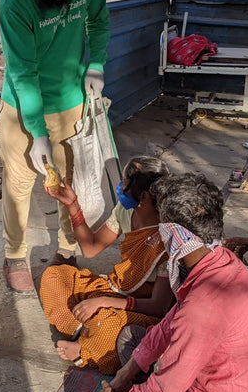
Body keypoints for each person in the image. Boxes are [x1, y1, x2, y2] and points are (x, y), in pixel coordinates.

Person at [79, 174, 248, 392]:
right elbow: (169, 322)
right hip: (203, 385)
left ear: (173, 233)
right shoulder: (222, 262)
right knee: (130, 340)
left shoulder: (203, 306)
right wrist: (125, 374)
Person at [0, 0, 110, 293]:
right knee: (19, 184)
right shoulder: (14, 0)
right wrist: (38, 134)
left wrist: (96, 64)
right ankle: (14, 255)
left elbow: (99, 21)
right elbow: (23, 74)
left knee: (69, 181)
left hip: (71, 103)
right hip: (22, 108)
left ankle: (66, 250)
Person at [40, 156, 175, 375]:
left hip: (141, 306)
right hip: (114, 288)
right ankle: (83, 329)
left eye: (124, 183)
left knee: (114, 328)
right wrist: (72, 205)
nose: (120, 187)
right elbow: (91, 247)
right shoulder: (126, 211)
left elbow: (158, 306)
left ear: (143, 197)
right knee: (54, 276)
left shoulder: (169, 233)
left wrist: (103, 302)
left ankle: (85, 346)